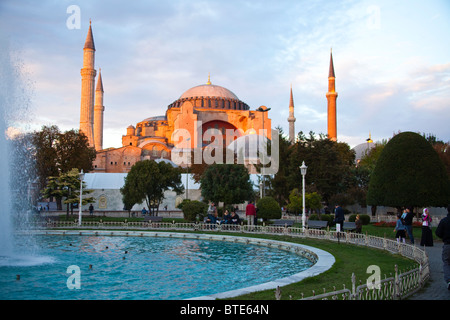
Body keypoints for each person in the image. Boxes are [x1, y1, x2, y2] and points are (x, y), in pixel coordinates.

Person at [435, 205, 450, 290]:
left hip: (447, 244)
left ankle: (449, 280)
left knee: (447, 262)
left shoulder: (444, 221)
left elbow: (438, 232)